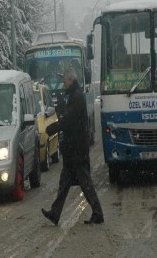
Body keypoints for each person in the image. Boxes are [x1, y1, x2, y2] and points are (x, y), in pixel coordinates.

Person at [41, 68, 104, 225]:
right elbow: (67, 116)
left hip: (76, 149)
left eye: (64, 81)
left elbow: (69, 120)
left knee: (85, 183)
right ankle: (55, 214)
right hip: (72, 149)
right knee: (64, 183)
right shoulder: (74, 95)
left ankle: (98, 213)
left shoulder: (77, 97)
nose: (63, 84)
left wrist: (53, 128)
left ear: (70, 80)